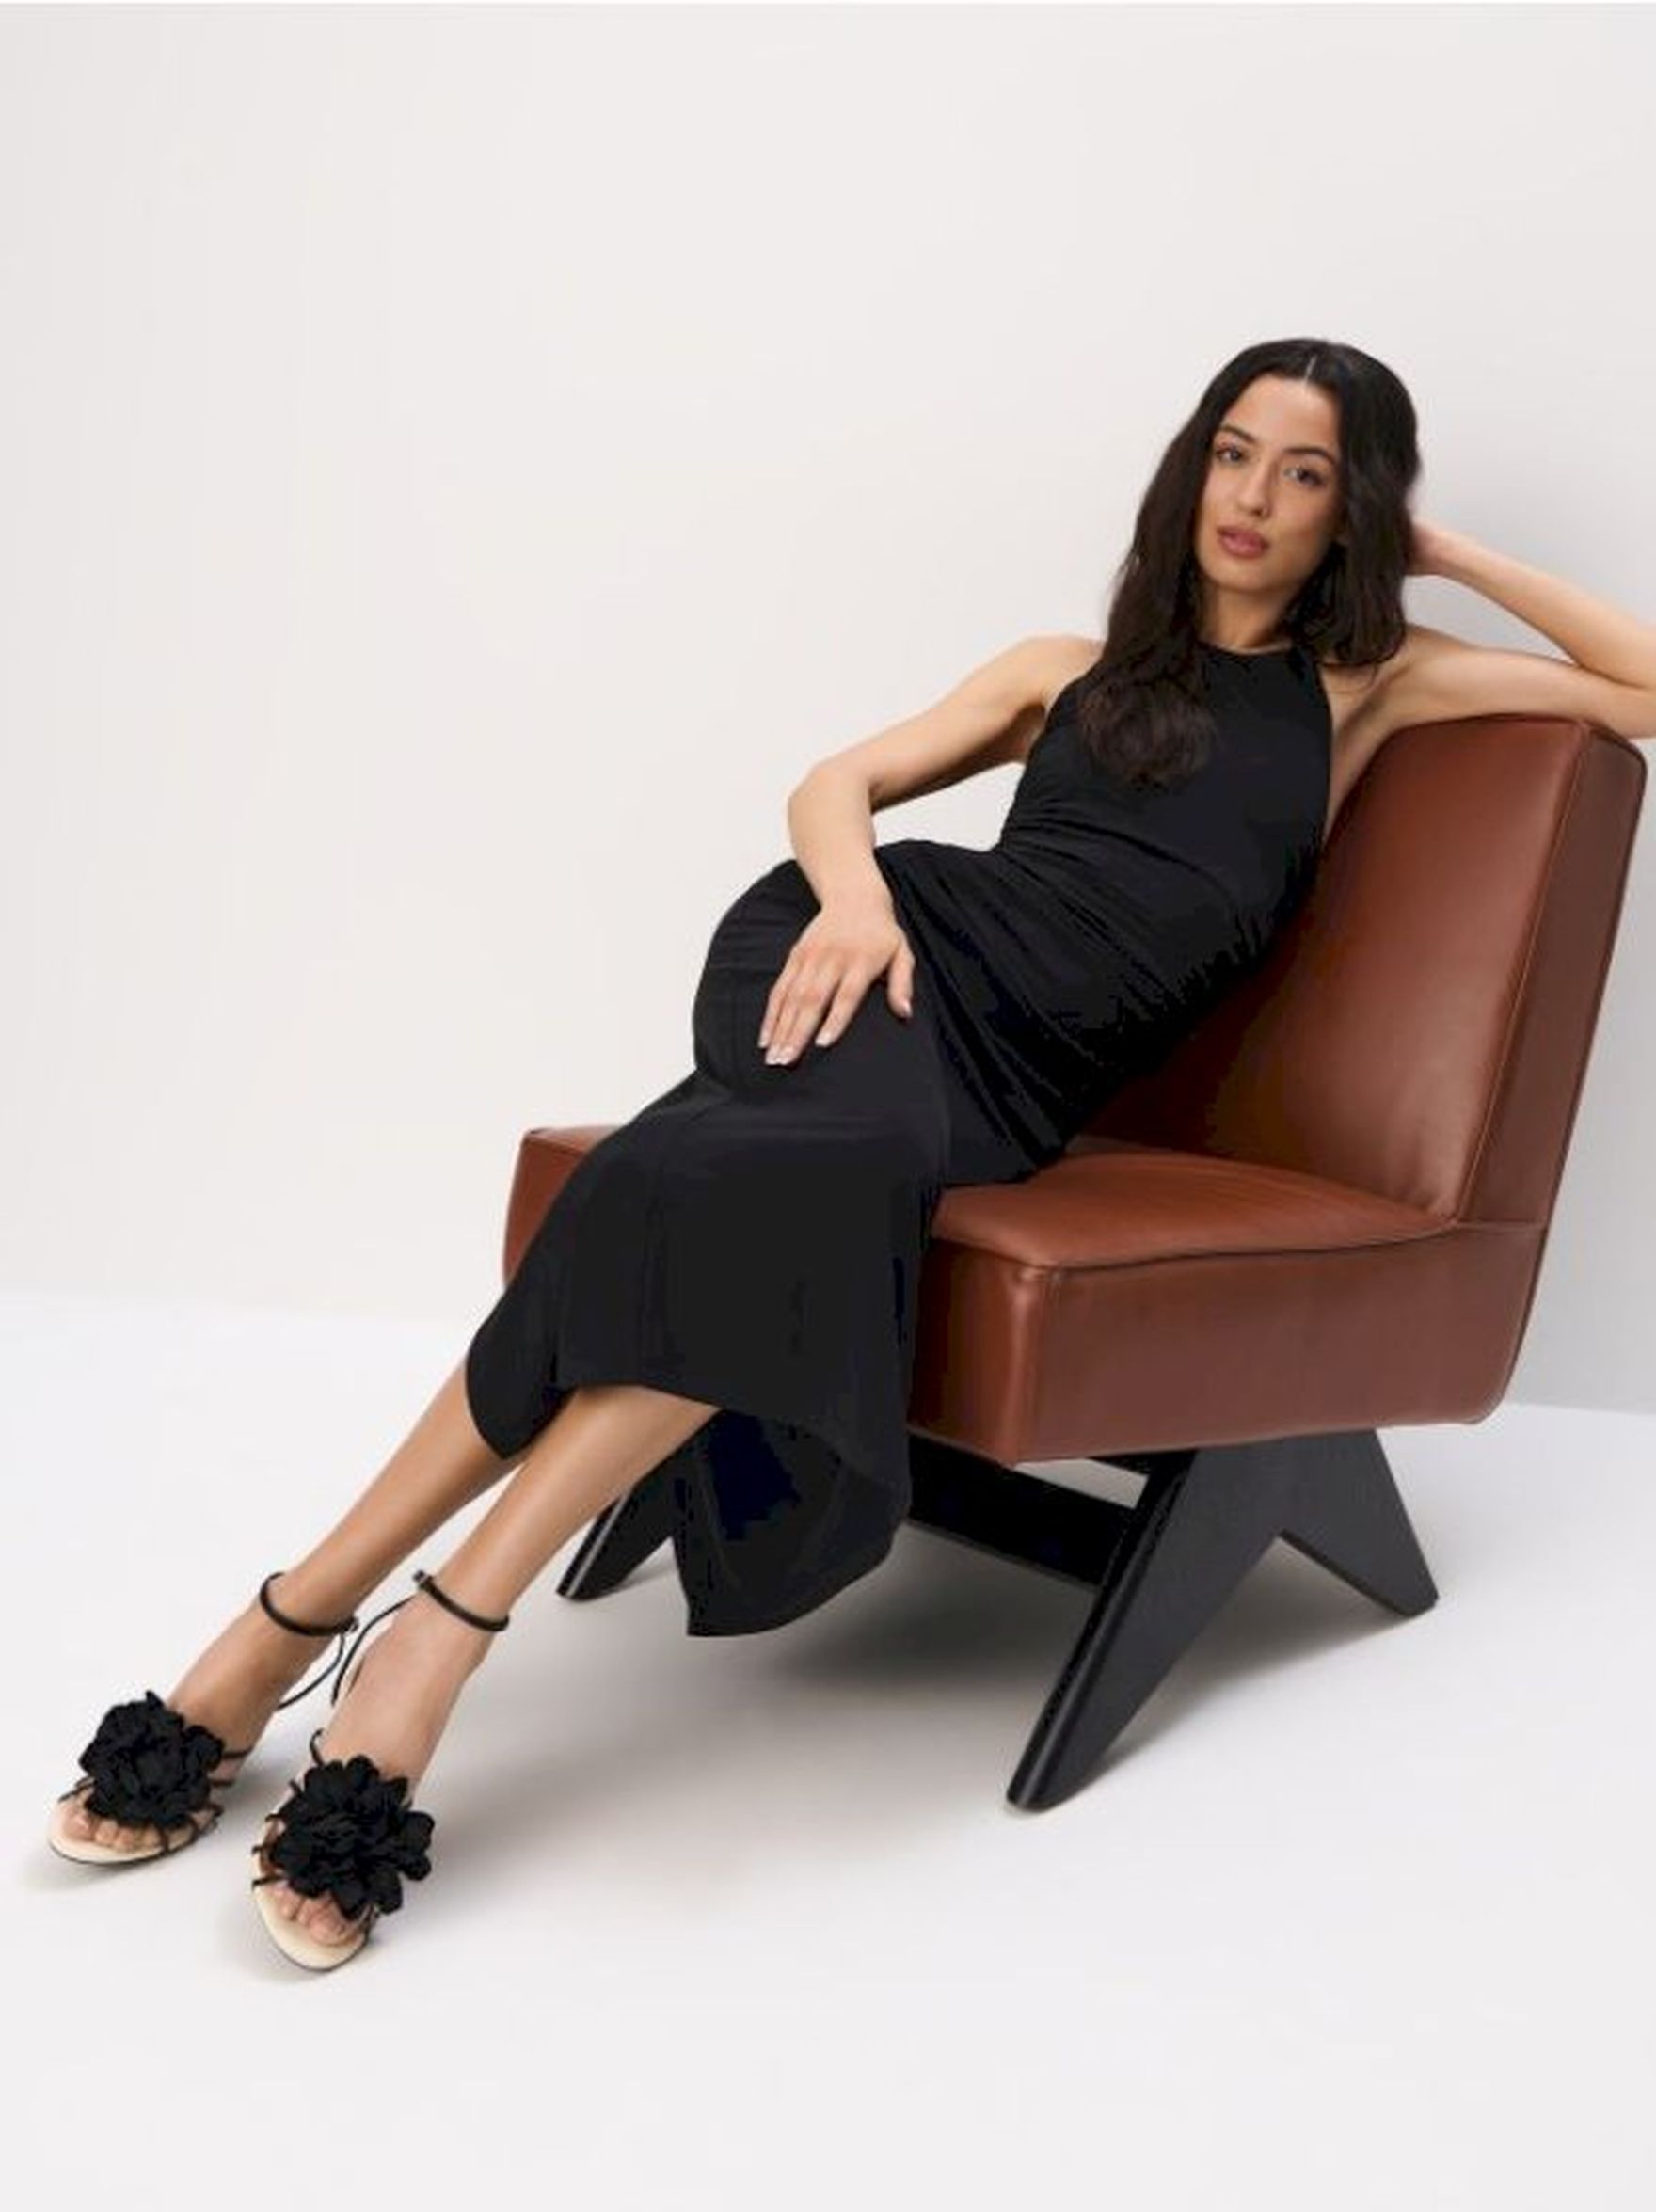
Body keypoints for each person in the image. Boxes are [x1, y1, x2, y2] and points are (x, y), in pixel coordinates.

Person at [50, 335, 1656, 1971]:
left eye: (1307, 474)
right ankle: (427, 1644)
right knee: (790, 1187)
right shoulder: (1063, 670)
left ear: (1349, 509)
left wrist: (1441, 551)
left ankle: (304, 1620)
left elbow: (1648, 689)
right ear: (1193, 467)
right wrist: (863, 903)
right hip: (867, 966)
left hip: (1009, 1082)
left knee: (673, 1186)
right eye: (1236, 453)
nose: (1254, 498)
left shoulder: (1366, 687)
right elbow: (837, 783)